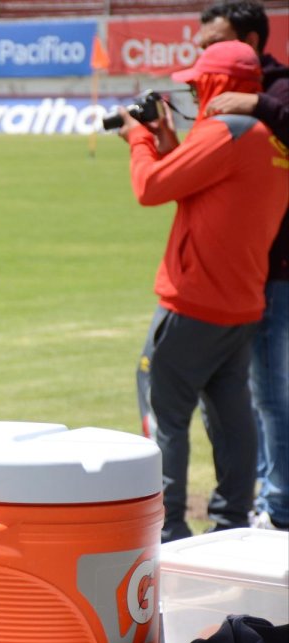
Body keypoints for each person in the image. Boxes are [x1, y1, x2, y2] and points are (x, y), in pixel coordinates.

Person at [120, 40, 288, 542]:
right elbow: (203, 189)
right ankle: (231, 523)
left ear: (218, 84)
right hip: (241, 304)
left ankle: (167, 525)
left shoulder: (227, 131)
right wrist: (170, 139)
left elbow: (151, 187)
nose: (192, 91)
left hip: (193, 302)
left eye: (198, 84)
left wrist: (138, 140)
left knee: (163, 412)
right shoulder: (270, 140)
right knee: (231, 414)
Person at [194, 0, 289, 532]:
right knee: (252, 392)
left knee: (270, 392)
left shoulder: (276, 90)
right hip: (244, 271)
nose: (207, 54)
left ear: (250, 42)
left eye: (216, 42)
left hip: (275, 270)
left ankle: (278, 507)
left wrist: (255, 102)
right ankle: (263, 498)